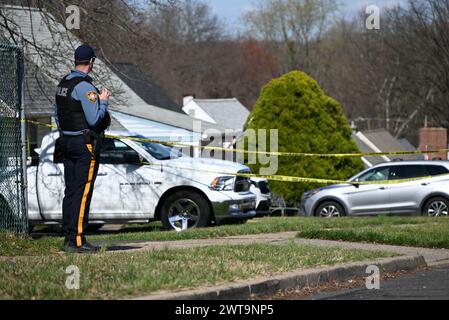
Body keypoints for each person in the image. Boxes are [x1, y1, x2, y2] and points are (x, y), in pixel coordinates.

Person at [55, 44, 111, 253]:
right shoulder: (86, 88)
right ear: (91, 62)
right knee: (82, 191)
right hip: (84, 145)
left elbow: (57, 116)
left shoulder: (64, 84)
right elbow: (95, 119)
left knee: (71, 191)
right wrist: (103, 102)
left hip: (66, 142)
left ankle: (69, 236)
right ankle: (77, 240)